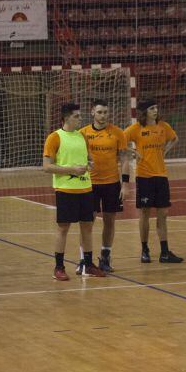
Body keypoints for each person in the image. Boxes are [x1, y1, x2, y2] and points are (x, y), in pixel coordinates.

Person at [43, 103, 105, 281]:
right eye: (77, 116)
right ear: (66, 118)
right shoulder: (55, 137)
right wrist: (71, 170)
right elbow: (46, 167)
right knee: (63, 229)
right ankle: (59, 267)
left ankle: (88, 264)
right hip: (65, 190)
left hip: (86, 189)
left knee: (87, 227)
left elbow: (89, 160)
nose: (80, 118)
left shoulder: (82, 137)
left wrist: (89, 164)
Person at [124, 99, 183, 264]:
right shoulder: (136, 128)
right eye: (152, 108)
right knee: (144, 213)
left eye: (156, 107)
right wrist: (132, 151)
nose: (155, 110)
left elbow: (175, 139)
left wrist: (165, 151)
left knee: (163, 213)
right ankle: (144, 249)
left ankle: (164, 252)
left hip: (161, 175)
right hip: (144, 177)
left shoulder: (163, 126)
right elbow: (119, 141)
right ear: (144, 112)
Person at [79, 100, 130, 272]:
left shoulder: (117, 133)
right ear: (92, 112)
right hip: (89, 184)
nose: (103, 115)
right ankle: (84, 261)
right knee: (87, 223)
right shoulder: (82, 133)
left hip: (112, 184)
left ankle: (105, 257)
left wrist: (125, 185)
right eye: (100, 112)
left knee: (110, 221)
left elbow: (124, 159)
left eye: (106, 112)